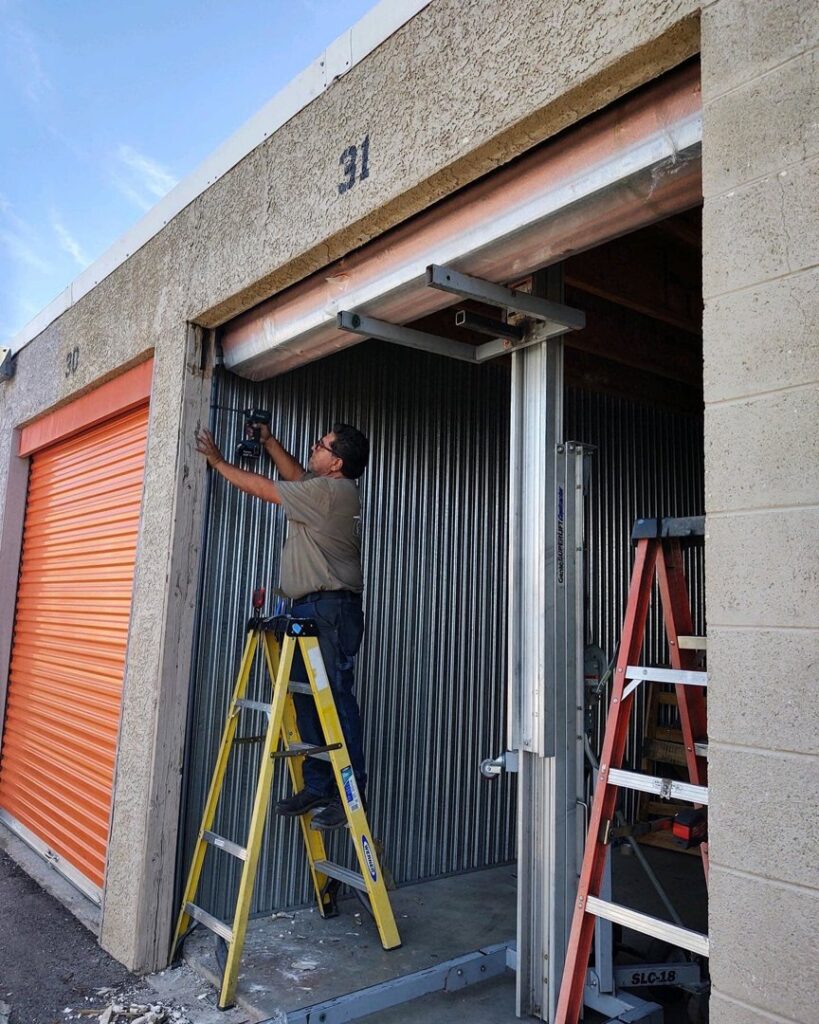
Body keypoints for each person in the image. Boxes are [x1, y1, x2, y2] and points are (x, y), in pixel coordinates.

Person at [194, 420, 370, 830]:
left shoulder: (330, 493)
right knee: (308, 700)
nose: (314, 447)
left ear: (336, 463)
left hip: (329, 611)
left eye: (321, 445)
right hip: (310, 610)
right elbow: (295, 475)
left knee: (336, 701)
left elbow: (268, 489)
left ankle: (350, 795)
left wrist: (219, 462)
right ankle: (318, 784)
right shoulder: (323, 486)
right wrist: (270, 442)